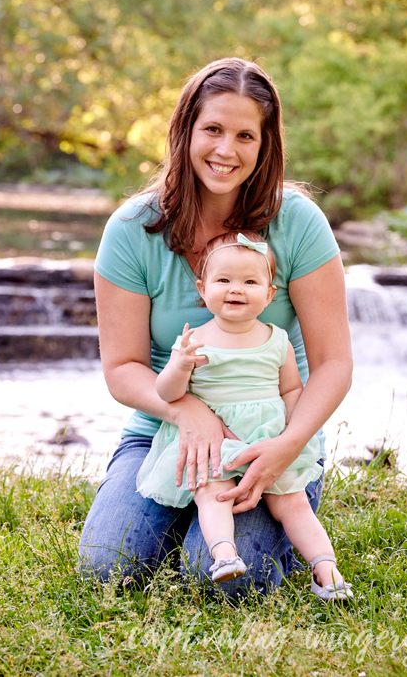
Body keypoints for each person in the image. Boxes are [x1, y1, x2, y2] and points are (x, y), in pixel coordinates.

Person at [78, 57, 353, 598]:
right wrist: (188, 412)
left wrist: (288, 444)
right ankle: (184, 508)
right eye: (212, 130)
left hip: (269, 434)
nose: (226, 150)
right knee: (108, 569)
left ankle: (250, 528)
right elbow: (122, 367)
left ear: (265, 144)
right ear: (185, 132)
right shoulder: (133, 230)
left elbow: (333, 364)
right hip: (164, 432)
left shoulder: (297, 222)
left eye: (245, 135)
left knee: (231, 585)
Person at [136, 231, 353, 600]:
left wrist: (288, 436)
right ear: (202, 289)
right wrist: (180, 365)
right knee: (213, 493)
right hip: (215, 441)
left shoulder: (276, 339)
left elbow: (291, 391)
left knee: (292, 501)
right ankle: (224, 554)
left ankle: (324, 567)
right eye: (224, 280)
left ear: (269, 294)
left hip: (267, 436)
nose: (236, 289)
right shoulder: (193, 340)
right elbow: (167, 393)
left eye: (250, 282)